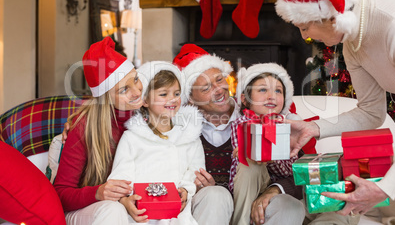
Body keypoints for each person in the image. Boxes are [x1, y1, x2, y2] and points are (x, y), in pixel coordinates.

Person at [275, 0, 395, 217]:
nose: (305, 36)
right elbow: (370, 112)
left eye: (305, 26)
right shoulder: (353, 41)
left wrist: (386, 188)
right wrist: (314, 128)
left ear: (330, 16)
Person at [54, 36, 143, 224]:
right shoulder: (84, 127)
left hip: (131, 204)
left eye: (136, 79)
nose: (136, 91)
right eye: (124, 89)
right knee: (113, 209)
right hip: (89, 208)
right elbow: (61, 194)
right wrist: (98, 192)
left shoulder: (149, 115)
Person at [107, 61, 205, 224]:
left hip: (177, 214)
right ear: (145, 101)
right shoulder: (132, 138)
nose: (172, 100)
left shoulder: (189, 136)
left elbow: (195, 171)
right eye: (163, 94)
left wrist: (186, 190)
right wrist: (125, 199)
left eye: (176, 93)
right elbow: (121, 176)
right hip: (141, 214)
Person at [229, 63, 305, 225]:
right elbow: (241, 165)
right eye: (263, 90)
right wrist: (256, 151)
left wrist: (272, 155)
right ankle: (241, 221)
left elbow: (290, 171)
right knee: (249, 162)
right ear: (245, 99)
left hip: (280, 187)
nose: (272, 96)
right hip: (251, 184)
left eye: (278, 90)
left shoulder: (288, 126)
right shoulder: (242, 124)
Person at [172, 44, 237, 224]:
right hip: (203, 206)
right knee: (215, 195)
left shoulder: (250, 114)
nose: (218, 90)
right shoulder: (180, 128)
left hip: (246, 205)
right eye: (206, 88)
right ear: (191, 99)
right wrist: (194, 188)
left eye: (219, 79)